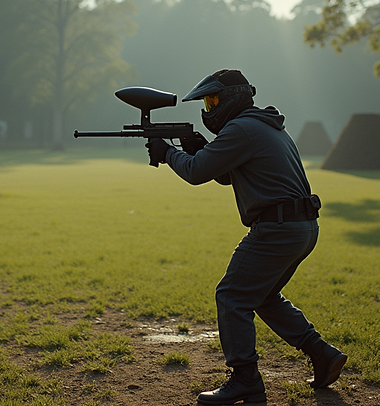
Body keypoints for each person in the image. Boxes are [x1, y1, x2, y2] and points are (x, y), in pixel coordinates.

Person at [146, 69, 346, 405]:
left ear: (233, 98)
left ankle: (246, 380)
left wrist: (168, 153)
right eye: (207, 101)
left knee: (231, 296)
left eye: (213, 100)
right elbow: (226, 175)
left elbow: (197, 173)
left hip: (277, 228)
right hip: (301, 227)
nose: (209, 108)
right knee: (263, 296)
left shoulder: (241, 128)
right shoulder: (262, 124)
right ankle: (322, 353)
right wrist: (198, 148)